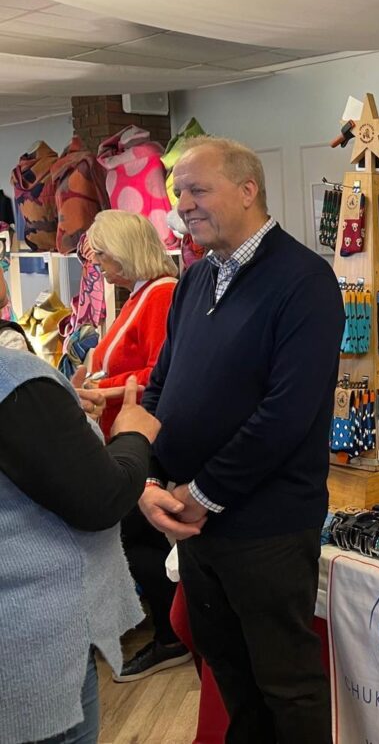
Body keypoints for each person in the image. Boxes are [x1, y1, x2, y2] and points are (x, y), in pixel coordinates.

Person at [137, 137, 342, 744]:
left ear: (248, 190)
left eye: (197, 190)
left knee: (286, 684)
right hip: (193, 523)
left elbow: (286, 414)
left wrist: (203, 493)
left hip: (267, 527)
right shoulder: (194, 279)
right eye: (179, 193)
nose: (184, 206)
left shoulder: (304, 280)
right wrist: (150, 476)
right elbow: (162, 387)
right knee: (228, 669)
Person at [0, 365, 160, 744]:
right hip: (33, 646)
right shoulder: (11, 381)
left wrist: (62, 421)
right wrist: (135, 434)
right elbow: (103, 497)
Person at [77, 209, 186, 682]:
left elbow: (162, 374)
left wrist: (101, 386)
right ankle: (169, 630)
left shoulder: (159, 295)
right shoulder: (143, 294)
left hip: (141, 435)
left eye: (102, 253)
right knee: (134, 536)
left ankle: (172, 636)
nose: (97, 262)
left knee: (137, 537)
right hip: (126, 432)